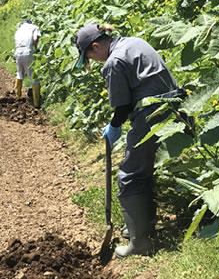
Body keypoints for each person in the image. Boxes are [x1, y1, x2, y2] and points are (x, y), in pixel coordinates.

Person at [75, 24, 187, 258]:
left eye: (90, 57)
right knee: (142, 170)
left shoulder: (113, 62)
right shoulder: (134, 41)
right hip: (175, 107)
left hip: (153, 112)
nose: (93, 61)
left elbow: (123, 107)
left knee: (129, 174)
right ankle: (141, 226)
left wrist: (113, 127)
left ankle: (139, 243)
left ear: (95, 47)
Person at [14, 19, 41, 108]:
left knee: (19, 74)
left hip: (18, 52)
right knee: (33, 77)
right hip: (28, 52)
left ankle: (18, 98)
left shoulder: (19, 30)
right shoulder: (34, 27)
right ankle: (37, 103)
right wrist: (36, 48)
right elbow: (35, 38)